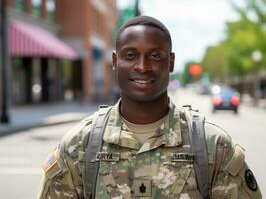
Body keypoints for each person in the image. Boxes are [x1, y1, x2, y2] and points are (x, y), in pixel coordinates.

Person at [37, 16, 262, 199]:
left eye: (155, 56)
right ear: (115, 62)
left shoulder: (212, 146)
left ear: (171, 62)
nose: (143, 67)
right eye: (130, 56)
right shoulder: (79, 146)